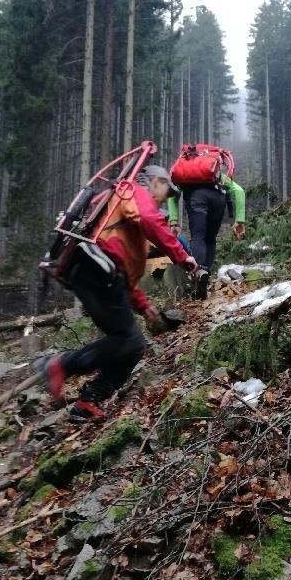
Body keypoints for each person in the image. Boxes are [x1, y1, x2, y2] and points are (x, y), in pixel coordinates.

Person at [38, 165, 198, 422]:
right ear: (156, 181)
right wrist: (181, 256)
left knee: (131, 345)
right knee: (131, 341)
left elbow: (126, 267)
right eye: (166, 192)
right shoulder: (133, 191)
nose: (164, 201)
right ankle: (61, 364)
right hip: (97, 269)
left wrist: (143, 306)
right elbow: (148, 221)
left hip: (96, 272)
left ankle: (88, 401)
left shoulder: (125, 209)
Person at [167, 150, 245, 300]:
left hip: (196, 199)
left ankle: (198, 274)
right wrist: (239, 220)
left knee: (198, 237)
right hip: (218, 198)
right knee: (210, 239)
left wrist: (174, 221)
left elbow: (172, 195)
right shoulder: (215, 175)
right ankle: (205, 272)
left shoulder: (185, 175)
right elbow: (239, 191)